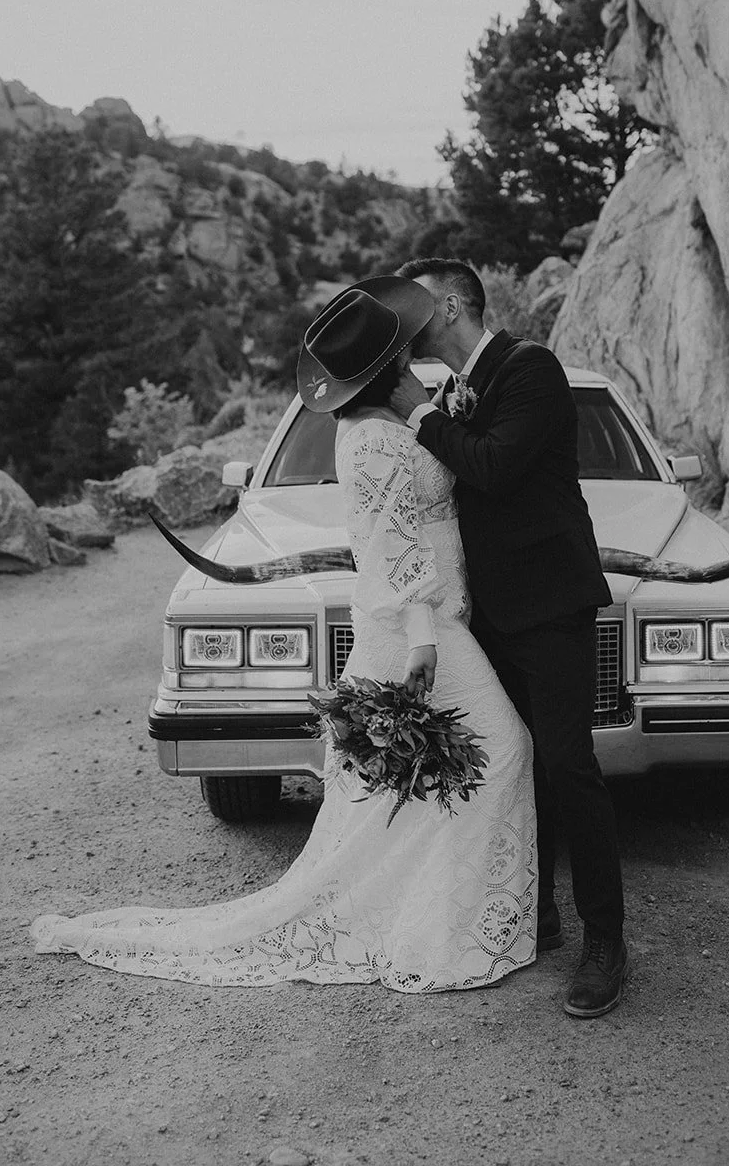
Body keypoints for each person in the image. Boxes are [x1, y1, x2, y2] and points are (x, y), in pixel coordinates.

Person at [31, 276, 537, 993]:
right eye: (399, 347)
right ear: (385, 362)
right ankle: (440, 932)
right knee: (499, 752)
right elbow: (389, 543)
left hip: (428, 622)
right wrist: (424, 634)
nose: (411, 349)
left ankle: (432, 920)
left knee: (398, 792)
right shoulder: (367, 441)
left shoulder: (389, 422)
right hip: (414, 631)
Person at [389, 258, 627, 1018]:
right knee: (512, 765)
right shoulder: (452, 388)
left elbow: (492, 468)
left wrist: (421, 416)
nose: (402, 318)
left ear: (452, 305)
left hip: (551, 605)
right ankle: (538, 915)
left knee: (568, 767)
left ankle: (606, 942)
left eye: (412, 304)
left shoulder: (532, 369)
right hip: (487, 612)